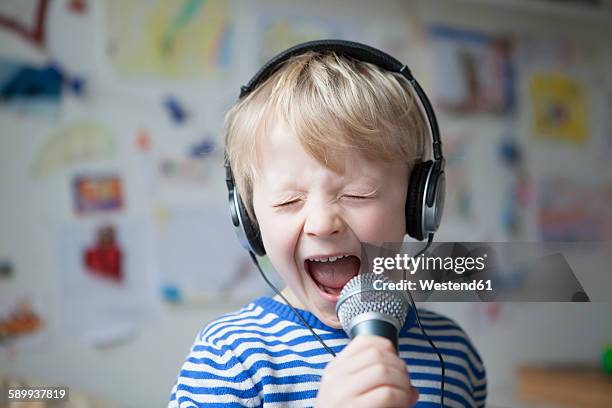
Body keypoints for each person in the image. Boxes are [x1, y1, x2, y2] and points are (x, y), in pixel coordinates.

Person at [169, 40, 487, 407]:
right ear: (249, 218)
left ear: (418, 205)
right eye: (289, 200)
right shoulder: (230, 359)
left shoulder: (454, 354)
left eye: (358, 194)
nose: (322, 224)